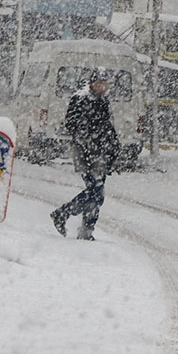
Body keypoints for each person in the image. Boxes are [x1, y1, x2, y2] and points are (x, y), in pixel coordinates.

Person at [51, 67, 120, 241]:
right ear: (92, 83)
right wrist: (88, 140)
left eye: (105, 84)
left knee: (97, 192)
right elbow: (72, 123)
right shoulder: (80, 98)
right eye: (99, 84)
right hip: (86, 152)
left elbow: (108, 127)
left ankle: (86, 230)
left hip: (102, 152)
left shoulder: (104, 100)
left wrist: (114, 148)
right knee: (95, 190)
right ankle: (63, 213)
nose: (102, 87)